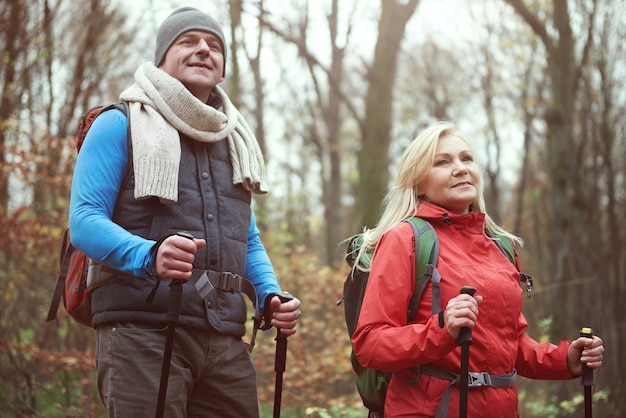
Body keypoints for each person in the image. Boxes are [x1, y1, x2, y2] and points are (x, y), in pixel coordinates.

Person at [69, 7, 301, 417]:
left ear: (223, 69)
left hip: (225, 339)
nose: (203, 50)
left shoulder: (234, 143)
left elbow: (244, 238)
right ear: (161, 58)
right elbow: (84, 221)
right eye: (188, 42)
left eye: (213, 46)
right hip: (142, 333)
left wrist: (269, 295)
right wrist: (148, 254)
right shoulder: (118, 123)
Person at [351, 121, 604, 417]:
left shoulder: (500, 246)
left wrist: (564, 360)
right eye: (443, 162)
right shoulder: (405, 238)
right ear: (418, 183)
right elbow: (370, 344)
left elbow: (509, 345)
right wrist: (442, 329)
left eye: (466, 158)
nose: (460, 168)